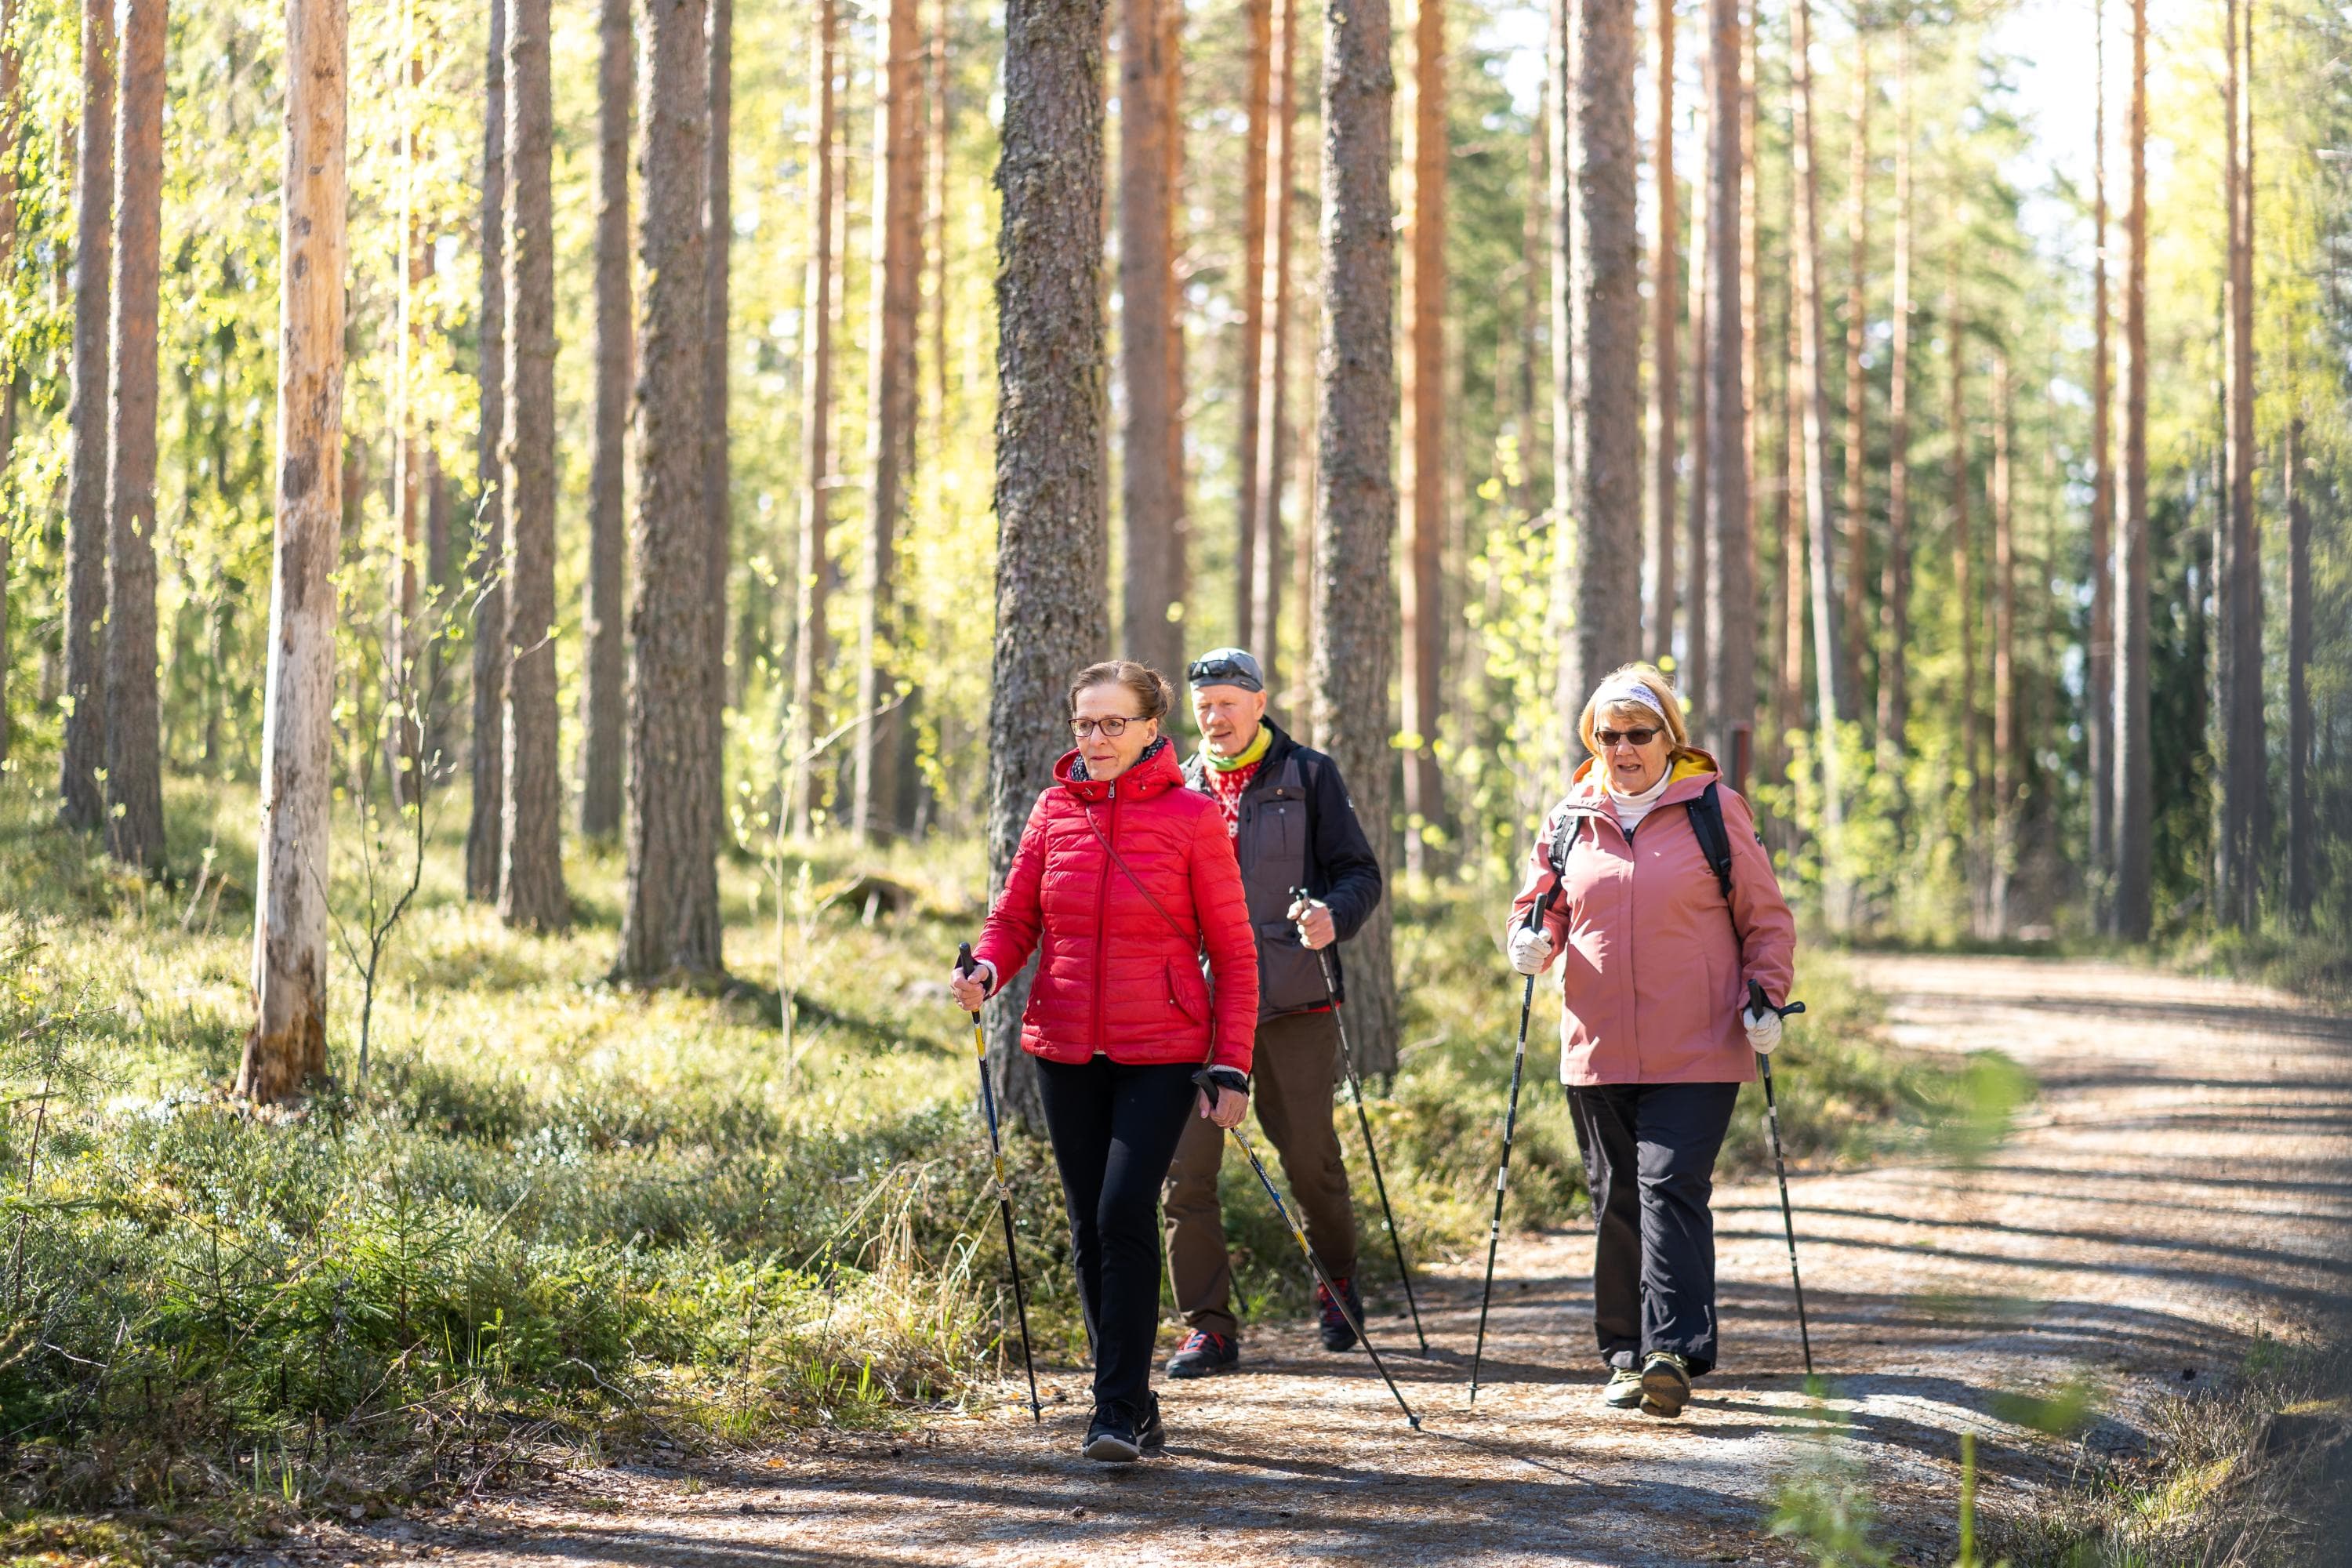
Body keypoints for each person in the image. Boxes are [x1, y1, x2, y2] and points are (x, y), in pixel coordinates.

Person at [949, 660, 1260, 1463]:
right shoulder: (1053, 809)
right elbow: (1014, 916)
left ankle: (1113, 1408)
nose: (1096, 738)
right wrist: (986, 966)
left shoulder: (1193, 818)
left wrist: (1231, 1063)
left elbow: (1232, 950)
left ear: (1153, 728)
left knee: (1124, 1212)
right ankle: (1134, 1399)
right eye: (1085, 723)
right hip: (1065, 1047)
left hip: (1161, 1049)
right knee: (1089, 1225)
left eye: (1113, 722)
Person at [1505, 662, 1796, 1418]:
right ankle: (1625, 1355)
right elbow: (1541, 905)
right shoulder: (1572, 816)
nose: (1624, 748)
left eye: (1640, 734)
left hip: (1698, 1043)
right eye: (1609, 736)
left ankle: (1673, 1351)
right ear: (1592, 741)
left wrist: (1766, 998)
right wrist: (1530, 940)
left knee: (1670, 1184)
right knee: (1616, 1201)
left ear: (1670, 737)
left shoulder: (1713, 809)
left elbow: (1765, 918)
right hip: (1597, 1045)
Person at [1160, 647, 1385, 1377]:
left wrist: (1333, 916)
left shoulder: (1308, 775)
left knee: (1312, 1164)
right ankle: (1209, 1328)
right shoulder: (1175, 784)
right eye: (1204, 705)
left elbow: (1359, 872)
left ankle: (1338, 1279)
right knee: (1186, 1176)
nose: (1215, 716)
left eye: (1228, 701)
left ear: (1259, 703)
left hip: (1293, 1001)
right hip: (1196, 1012)